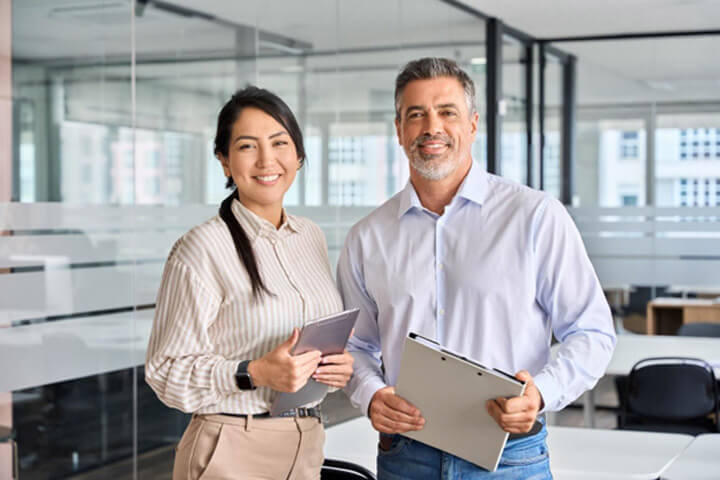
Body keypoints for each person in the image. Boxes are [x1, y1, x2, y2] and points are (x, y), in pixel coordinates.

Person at [337, 57, 617, 479]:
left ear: (472, 124)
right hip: (406, 457)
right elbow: (355, 346)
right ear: (399, 129)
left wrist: (541, 393)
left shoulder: (535, 216)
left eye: (447, 112)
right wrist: (371, 393)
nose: (432, 127)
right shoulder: (367, 237)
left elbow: (591, 331)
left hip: (509, 457)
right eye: (416, 115)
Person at [145, 86, 354, 480]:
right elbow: (165, 373)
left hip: (306, 440)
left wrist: (336, 369)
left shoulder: (310, 236)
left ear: (299, 155)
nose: (266, 160)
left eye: (279, 143)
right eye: (246, 146)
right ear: (224, 162)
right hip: (231, 448)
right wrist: (253, 372)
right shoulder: (201, 248)